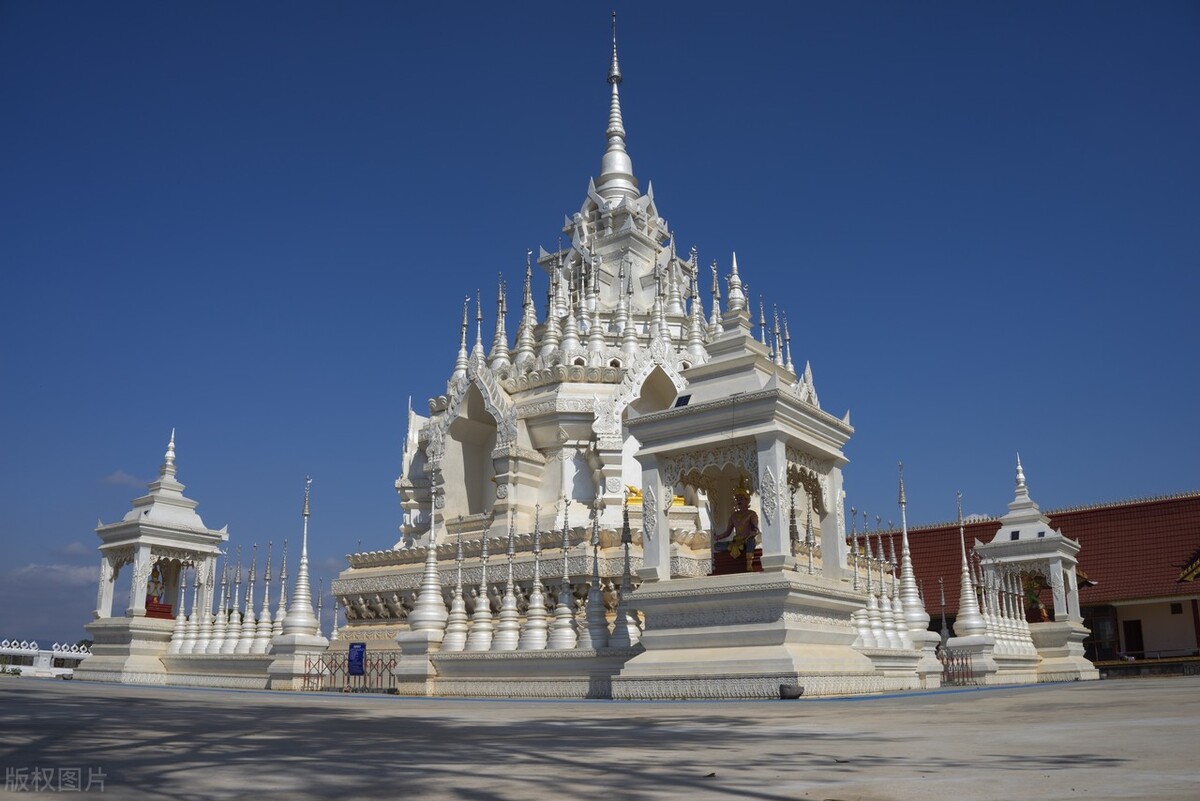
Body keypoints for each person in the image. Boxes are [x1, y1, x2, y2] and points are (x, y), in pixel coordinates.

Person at [714, 486, 759, 565]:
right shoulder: (733, 516)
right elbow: (728, 532)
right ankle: (735, 548)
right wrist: (718, 537)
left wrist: (754, 532)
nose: (739, 501)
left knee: (751, 541)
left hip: (746, 540)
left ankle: (749, 562)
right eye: (737, 499)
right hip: (736, 541)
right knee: (717, 546)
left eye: (741, 498)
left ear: (747, 500)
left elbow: (756, 529)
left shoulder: (751, 514)